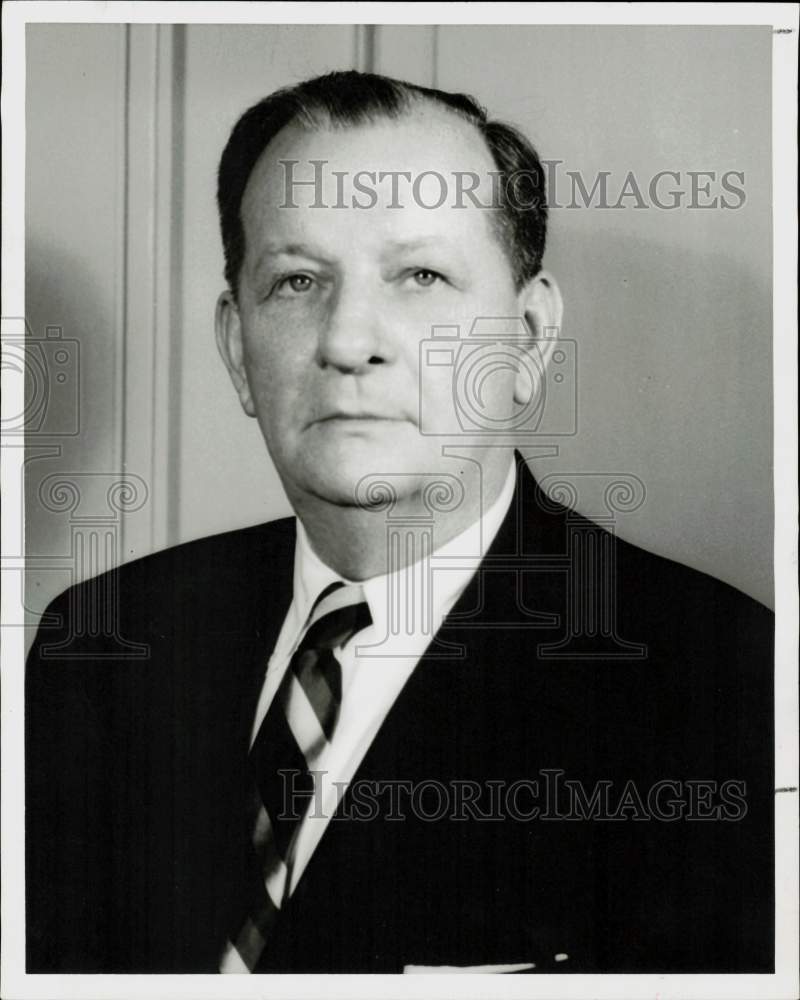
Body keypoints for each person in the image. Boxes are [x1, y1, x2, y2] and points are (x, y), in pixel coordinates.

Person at [25, 70, 774, 975]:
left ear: (528, 340)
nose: (348, 340)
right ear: (235, 346)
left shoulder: (724, 687)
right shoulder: (100, 644)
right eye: (297, 280)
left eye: (420, 275)